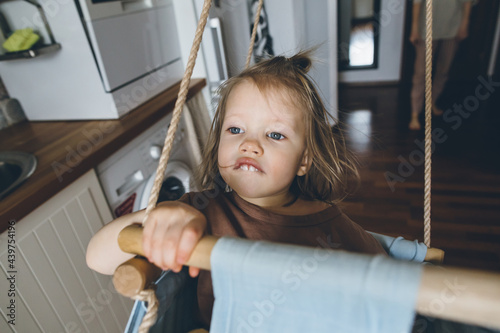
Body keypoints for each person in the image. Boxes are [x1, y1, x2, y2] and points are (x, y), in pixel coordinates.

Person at [86, 51, 386, 329]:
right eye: (235, 130)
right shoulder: (201, 212)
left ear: (304, 161)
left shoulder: (335, 227)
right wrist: (162, 215)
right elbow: (97, 258)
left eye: (275, 134)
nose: (249, 144)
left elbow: (389, 288)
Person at [409, 0, 473, 130]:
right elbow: (417, 3)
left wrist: (465, 24)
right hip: (426, 29)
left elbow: (467, 2)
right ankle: (415, 113)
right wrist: (414, 28)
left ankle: (432, 102)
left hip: (453, 29)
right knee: (421, 72)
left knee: (444, 70)